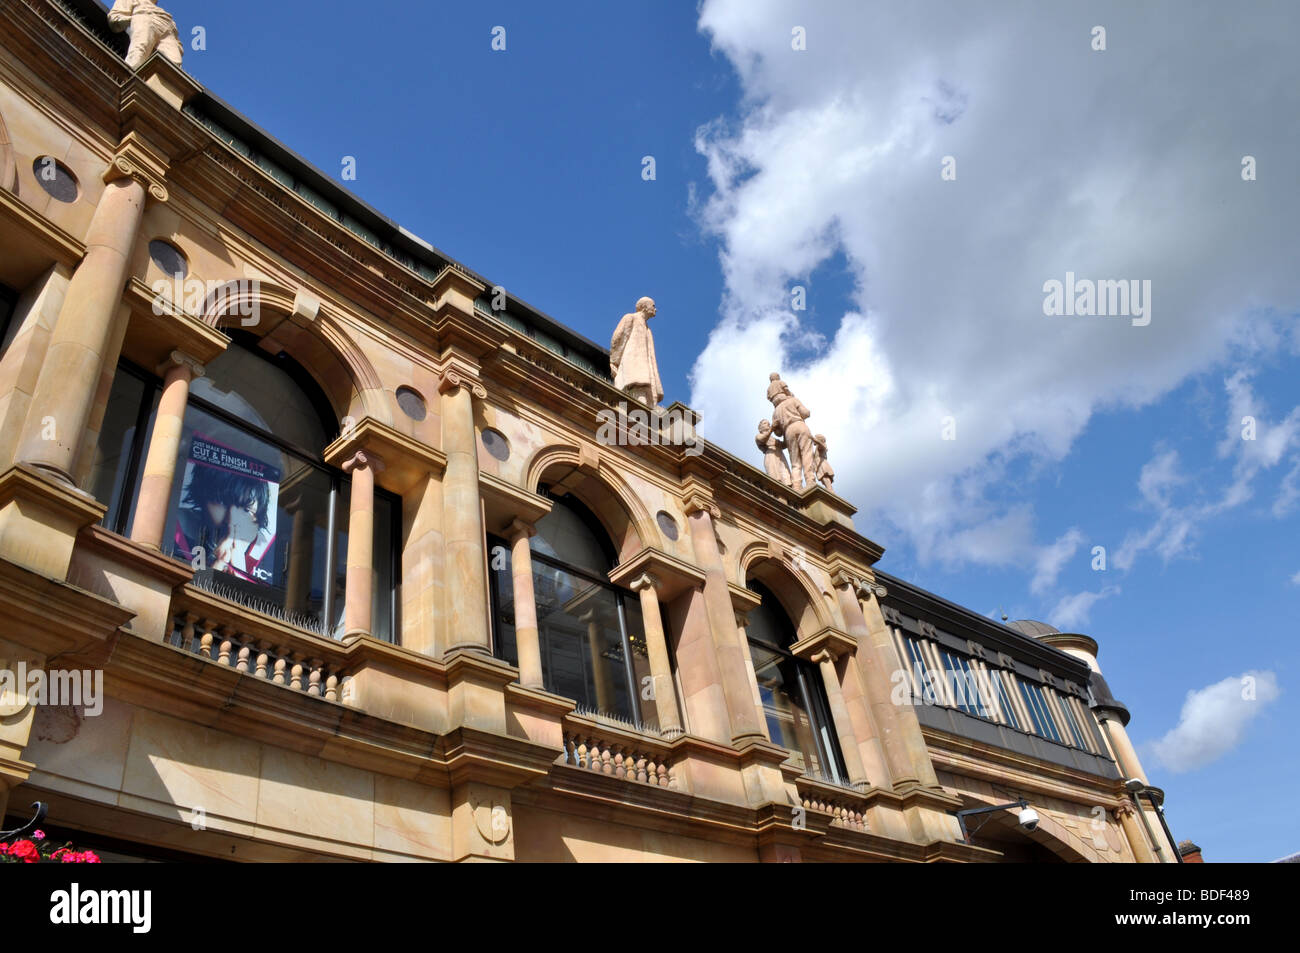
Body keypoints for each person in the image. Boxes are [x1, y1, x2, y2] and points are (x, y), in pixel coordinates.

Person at [174, 465, 275, 583]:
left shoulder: (268, 556)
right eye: (221, 502)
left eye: (246, 510)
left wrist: (241, 577)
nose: (231, 520)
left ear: (259, 516)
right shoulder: (177, 526)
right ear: (202, 498)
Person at [610, 297, 664, 407]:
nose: (655, 309)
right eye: (653, 306)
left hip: (645, 367)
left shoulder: (648, 329)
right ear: (644, 307)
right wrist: (614, 361)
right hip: (633, 363)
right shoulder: (630, 318)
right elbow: (618, 338)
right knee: (637, 387)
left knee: (643, 391)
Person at [107, 0, 184, 70]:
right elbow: (114, 18)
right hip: (145, 18)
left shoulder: (161, 11)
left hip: (168, 27)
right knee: (140, 51)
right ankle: (127, 76)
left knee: (174, 64)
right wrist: (135, 19)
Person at [755, 419, 792, 486]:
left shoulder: (773, 439)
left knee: (786, 478)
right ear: (760, 428)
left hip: (780, 457)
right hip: (771, 456)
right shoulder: (759, 436)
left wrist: (784, 430)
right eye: (765, 423)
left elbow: (784, 444)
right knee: (776, 479)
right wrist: (771, 429)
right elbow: (762, 439)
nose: (768, 424)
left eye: (769, 423)